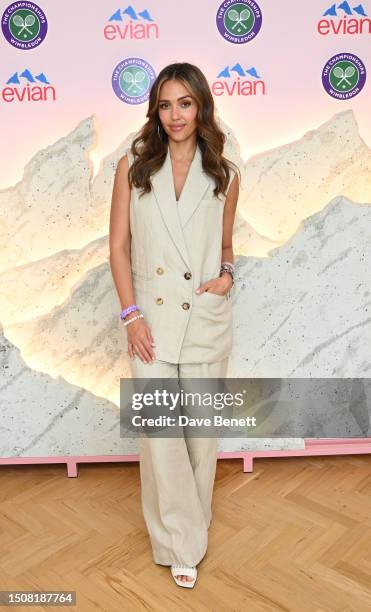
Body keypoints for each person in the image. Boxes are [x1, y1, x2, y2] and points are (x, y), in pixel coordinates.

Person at [109, 62, 240, 588]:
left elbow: (227, 247)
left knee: (201, 437)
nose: (175, 115)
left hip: (205, 315)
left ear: (201, 106)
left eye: (185, 103)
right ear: (155, 111)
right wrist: (130, 314)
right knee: (161, 436)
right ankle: (180, 544)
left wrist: (226, 277)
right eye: (165, 104)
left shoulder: (226, 174)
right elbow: (117, 246)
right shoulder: (133, 166)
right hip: (152, 322)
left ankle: (186, 532)